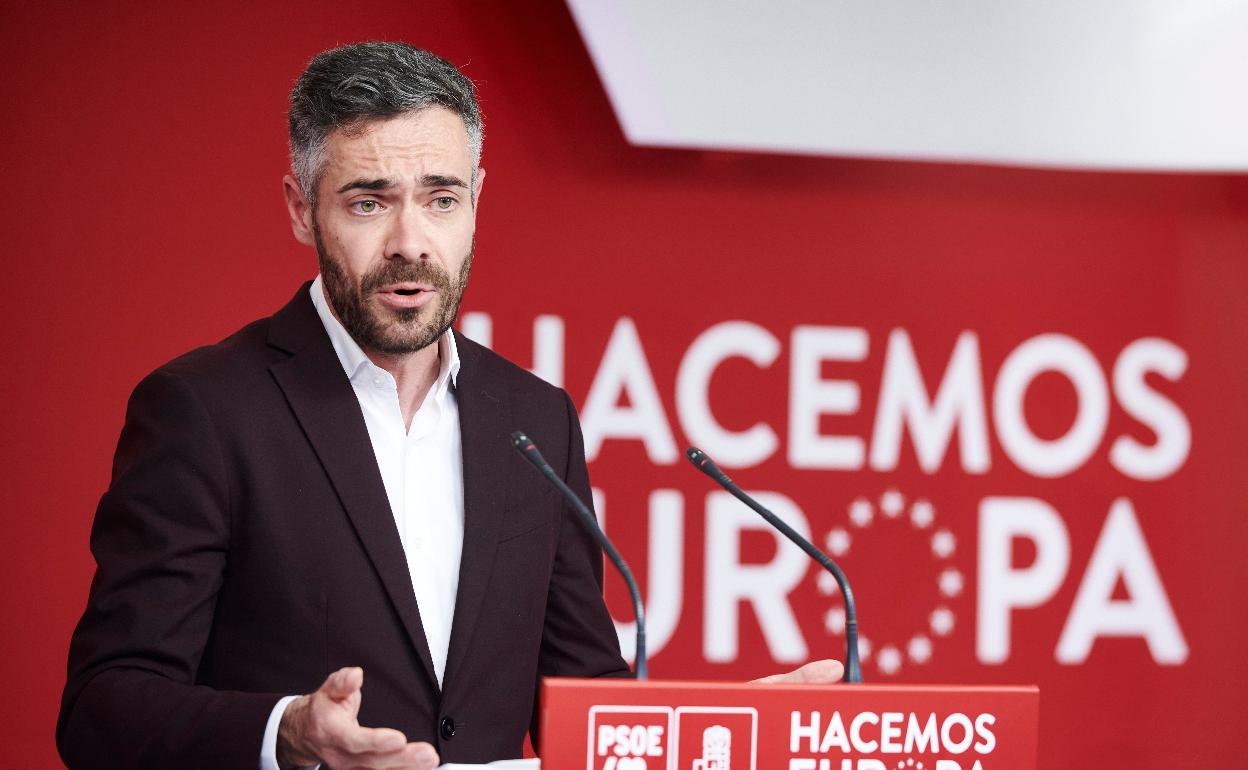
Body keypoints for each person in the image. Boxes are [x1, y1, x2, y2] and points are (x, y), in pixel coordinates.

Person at [57, 42, 842, 770]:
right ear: (302, 208)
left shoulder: (534, 419)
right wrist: (285, 731)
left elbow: (582, 700)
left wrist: (710, 737)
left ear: (476, 203)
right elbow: (103, 708)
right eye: (369, 202)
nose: (411, 241)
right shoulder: (205, 410)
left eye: (441, 199)